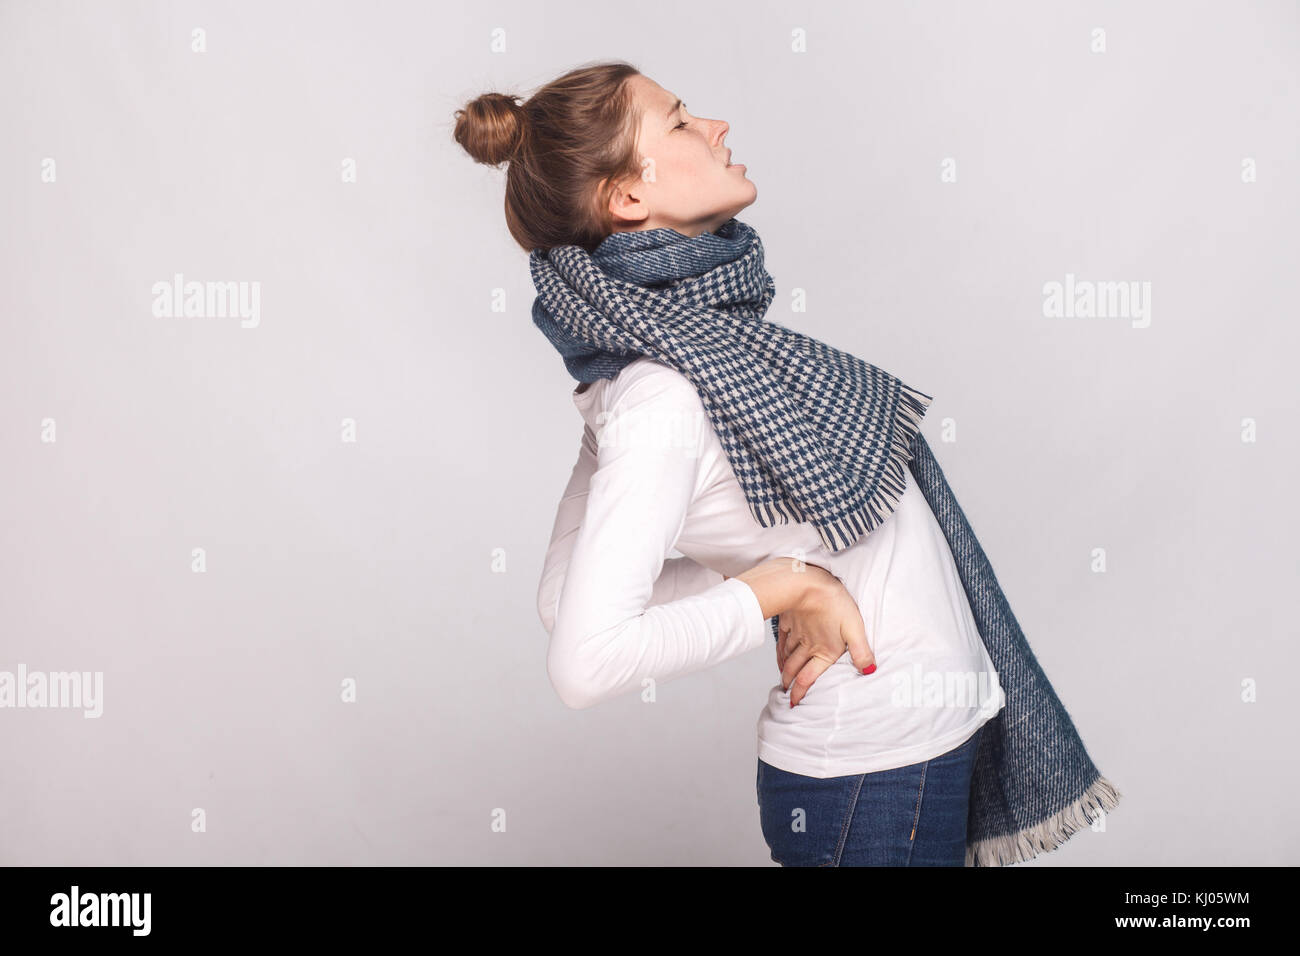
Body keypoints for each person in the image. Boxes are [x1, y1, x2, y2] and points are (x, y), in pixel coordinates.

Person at [454, 61, 1006, 866]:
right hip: (875, 773)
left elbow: (558, 597)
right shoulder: (657, 397)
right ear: (628, 199)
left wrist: (779, 568)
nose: (715, 128)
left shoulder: (688, 354)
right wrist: (781, 586)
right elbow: (584, 657)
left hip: (895, 755)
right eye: (679, 122)